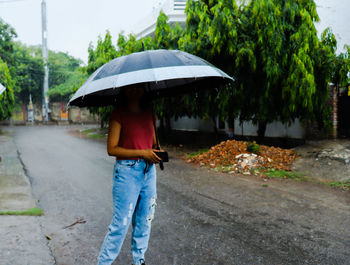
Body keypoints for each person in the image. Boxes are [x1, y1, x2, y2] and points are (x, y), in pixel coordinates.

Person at [97, 85, 162, 265]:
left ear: (144, 90)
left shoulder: (150, 114)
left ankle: (139, 261)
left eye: (139, 87)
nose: (135, 90)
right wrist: (143, 153)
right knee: (121, 224)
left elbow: (153, 144)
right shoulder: (119, 115)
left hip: (149, 172)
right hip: (127, 171)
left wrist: (156, 153)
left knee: (144, 221)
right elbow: (112, 149)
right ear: (124, 91)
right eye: (130, 88)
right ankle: (104, 263)